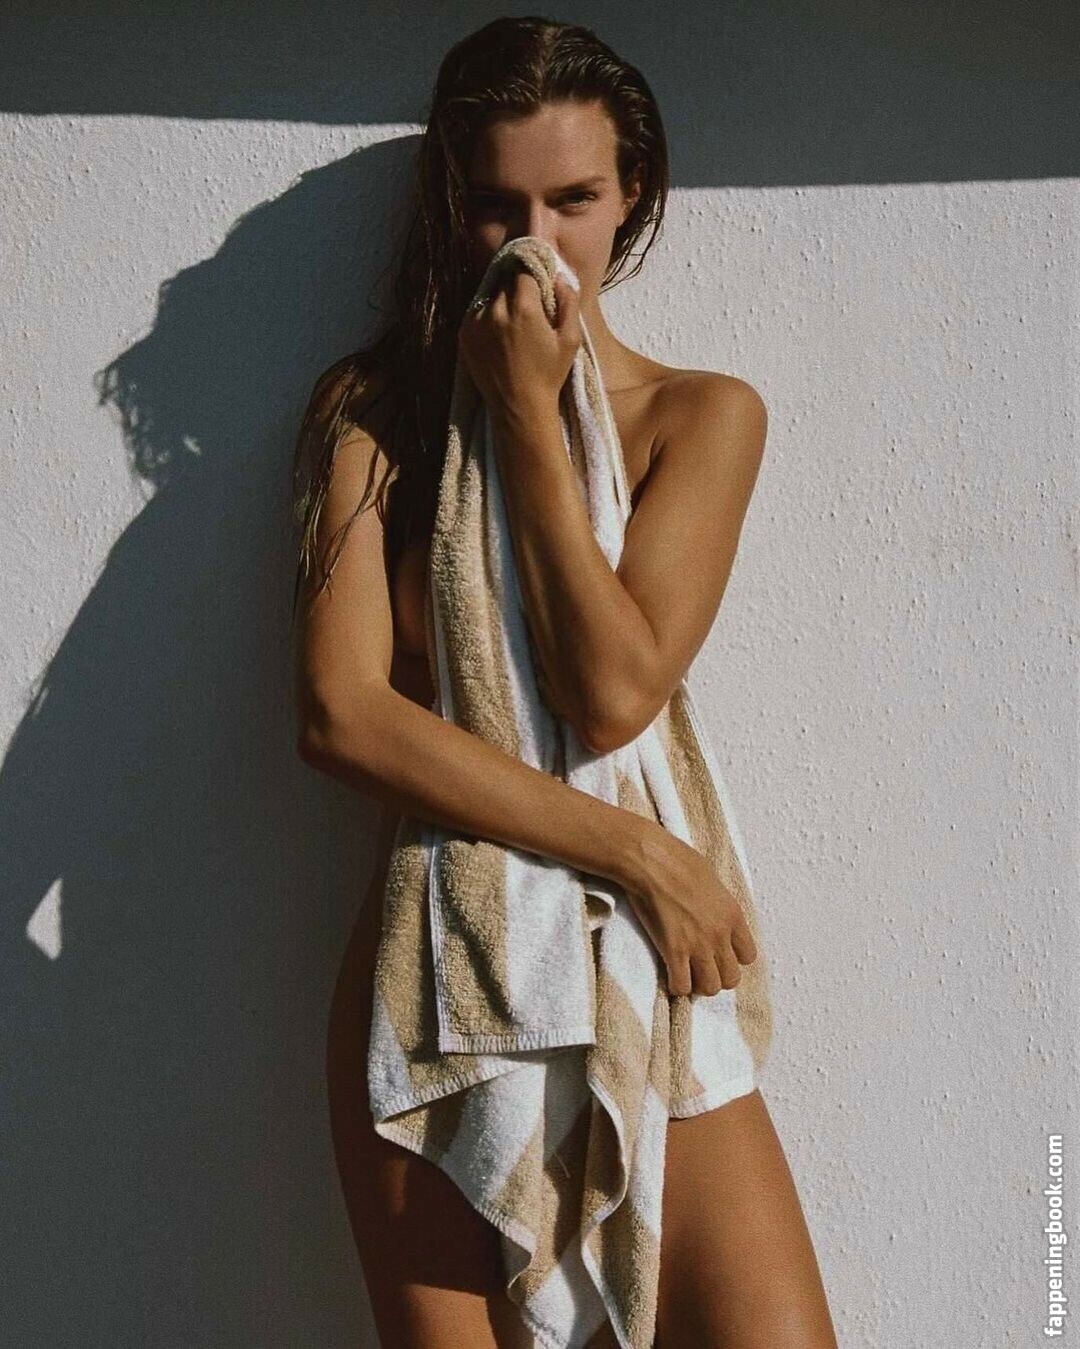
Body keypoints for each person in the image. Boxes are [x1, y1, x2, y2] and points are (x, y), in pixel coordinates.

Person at [291, 16, 838, 1349]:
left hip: (649, 975)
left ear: (631, 195)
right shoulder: (370, 415)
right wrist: (638, 853)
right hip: (442, 979)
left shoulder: (702, 417)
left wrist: (530, 418)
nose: (534, 241)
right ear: (453, 204)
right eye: (497, 205)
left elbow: (613, 689)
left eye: (575, 200)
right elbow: (342, 714)